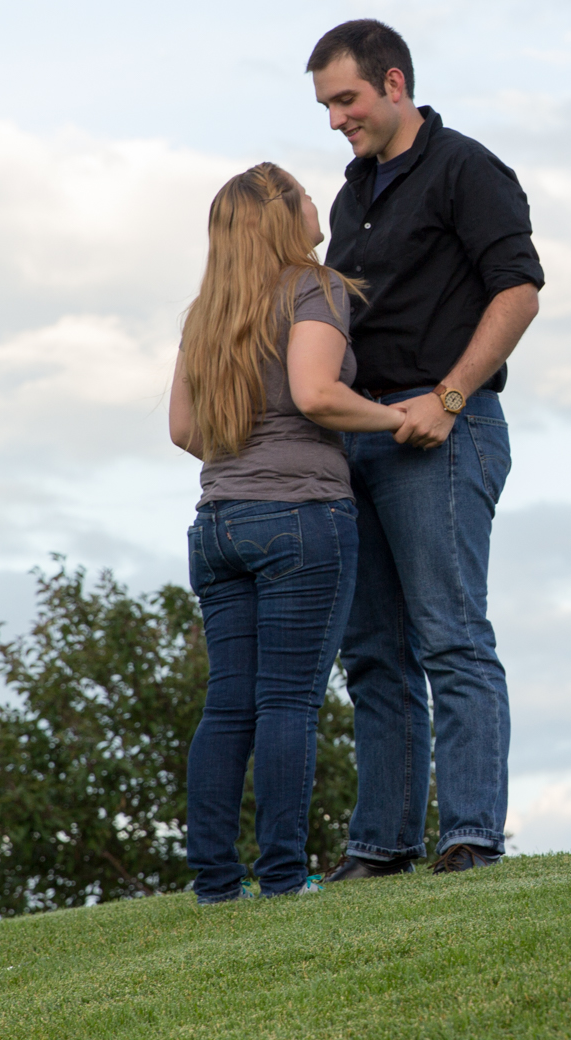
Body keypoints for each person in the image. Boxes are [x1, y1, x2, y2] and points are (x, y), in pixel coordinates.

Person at [310, 19, 543, 877]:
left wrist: (449, 398)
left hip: (445, 433)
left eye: (348, 99)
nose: (337, 119)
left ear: (395, 83)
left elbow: (518, 293)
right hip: (362, 437)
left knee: (450, 637)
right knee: (373, 651)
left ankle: (473, 837)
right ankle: (382, 847)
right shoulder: (351, 195)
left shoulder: (466, 168)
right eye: (327, 105)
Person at [169, 162, 406, 902]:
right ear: (284, 214)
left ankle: (214, 881)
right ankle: (279, 877)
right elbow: (317, 393)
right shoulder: (315, 286)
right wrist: (400, 417)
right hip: (302, 516)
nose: (316, 201)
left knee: (229, 704)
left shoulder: (206, 311)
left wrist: (247, 453)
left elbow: (183, 430)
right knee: (288, 703)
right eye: (304, 193)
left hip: (218, 524)